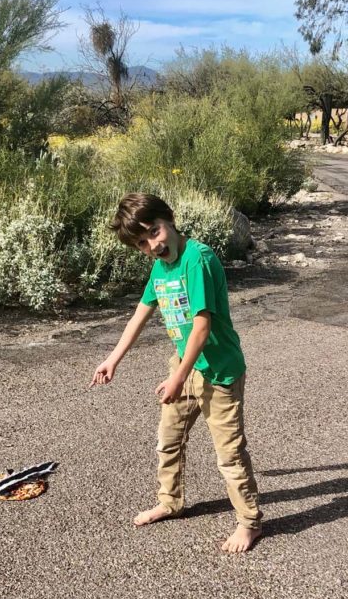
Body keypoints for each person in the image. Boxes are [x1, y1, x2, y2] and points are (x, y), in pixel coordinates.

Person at [90, 192, 262, 554]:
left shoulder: (196, 259)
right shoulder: (160, 266)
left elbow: (202, 326)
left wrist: (178, 378)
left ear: (169, 218)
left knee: (229, 455)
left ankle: (248, 523)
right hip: (185, 367)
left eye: (154, 232)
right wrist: (113, 359)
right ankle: (171, 502)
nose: (152, 245)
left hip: (220, 373)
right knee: (168, 441)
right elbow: (141, 312)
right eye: (141, 243)